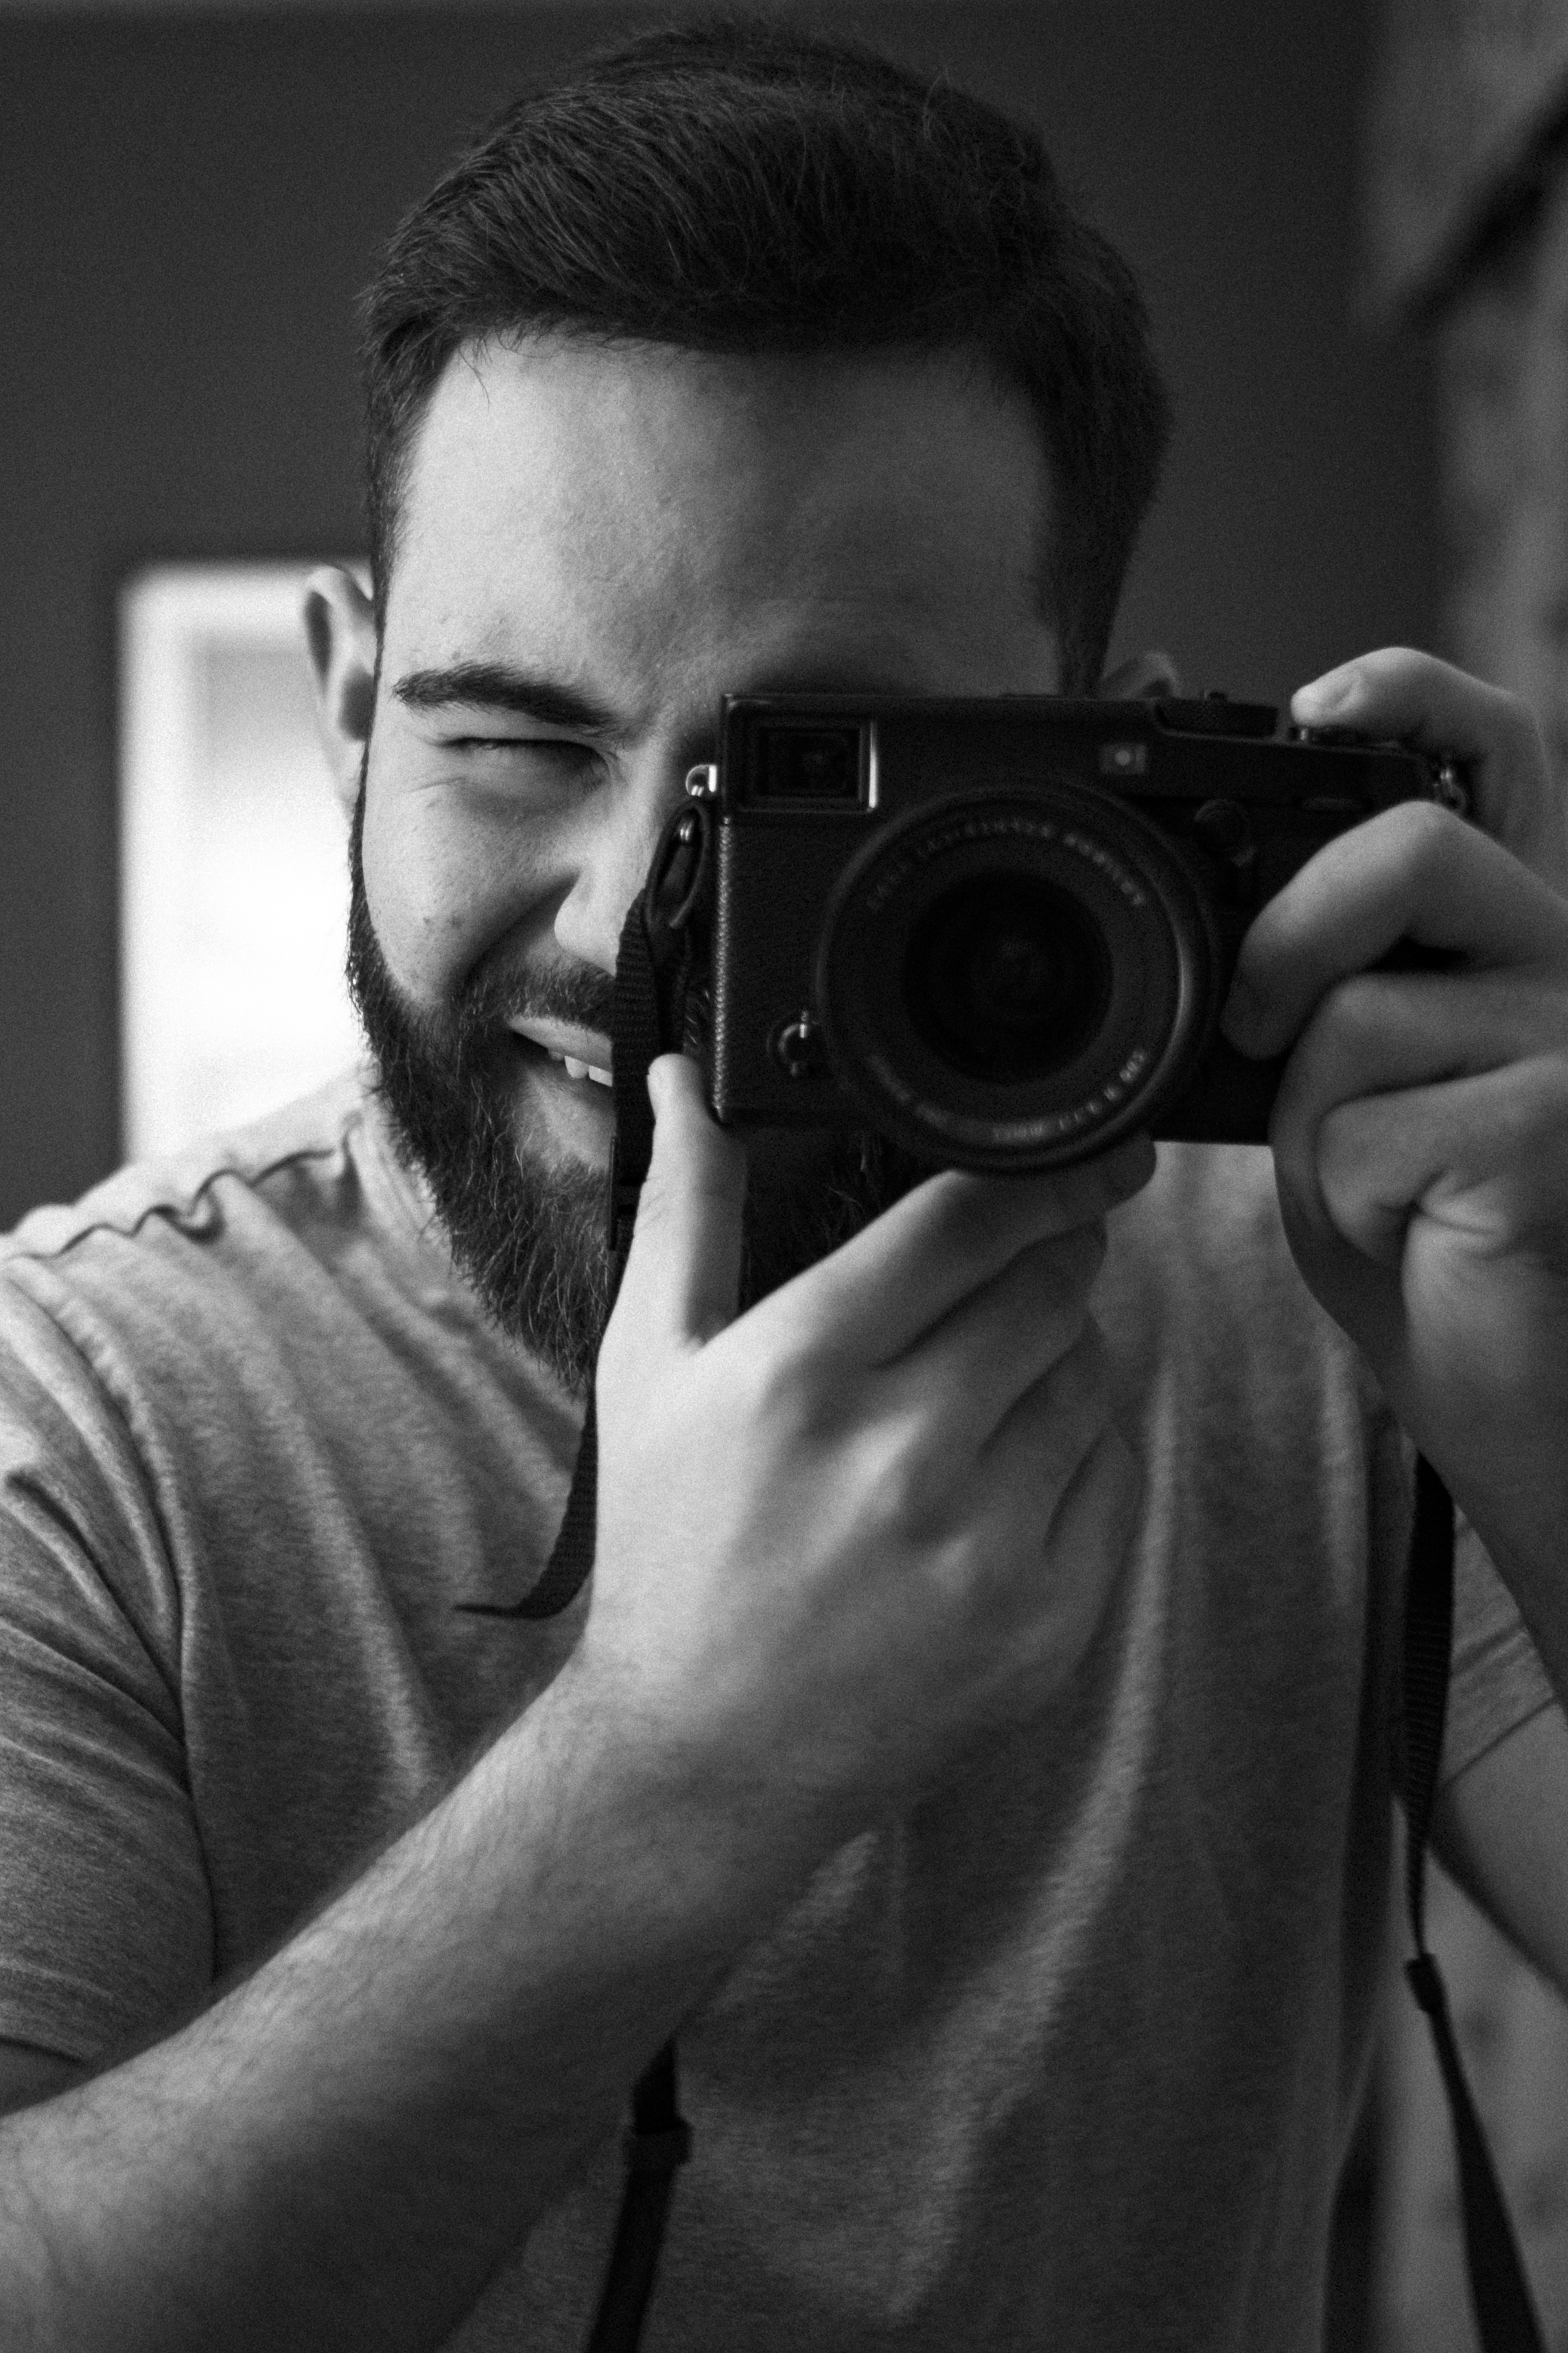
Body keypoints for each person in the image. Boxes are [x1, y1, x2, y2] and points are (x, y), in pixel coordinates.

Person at [1, 21, 1566, 2351]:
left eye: (808, 781)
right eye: (515, 739)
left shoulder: (1320, 1298)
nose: (639, 920)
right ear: (348, 711)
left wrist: (1547, 1408)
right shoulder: (92, 1403)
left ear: (1091, 757)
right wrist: (667, 1769)